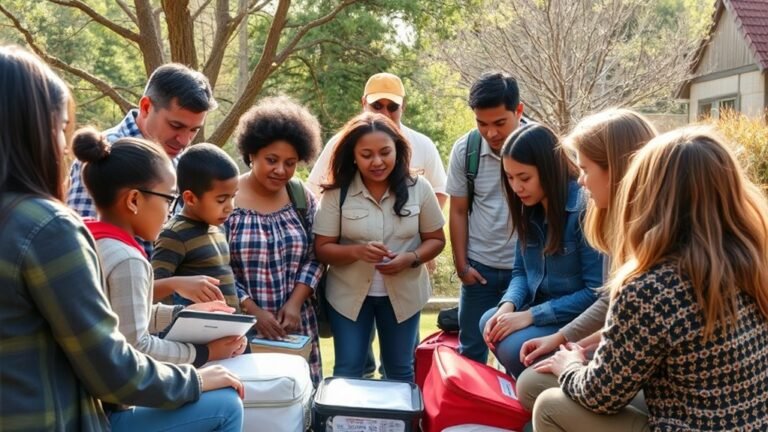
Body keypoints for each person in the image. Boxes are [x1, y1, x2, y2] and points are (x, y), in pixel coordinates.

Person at [0, 45, 243, 431]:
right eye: (60, 128)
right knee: (226, 406)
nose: (64, 147)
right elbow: (110, 364)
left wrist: (181, 315)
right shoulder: (47, 227)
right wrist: (197, 370)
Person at [530, 127, 768, 431]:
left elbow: (600, 396)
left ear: (648, 193)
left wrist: (570, 366)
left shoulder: (651, 288)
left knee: (550, 406)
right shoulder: (751, 260)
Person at [515, 109, 657, 412]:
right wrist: (566, 341)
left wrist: (571, 362)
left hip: (667, 410)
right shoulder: (629, 230)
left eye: (585, 169)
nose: (580, 181)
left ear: (617, 170)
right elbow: (615, 309)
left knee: (544, 400)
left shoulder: (653, 254)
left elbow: (605, 390)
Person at [308, 72, 449, 377]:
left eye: (385, 153)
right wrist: (358, 252)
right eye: (366, 155)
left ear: (398, 150)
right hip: (347, 297)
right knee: (349, 369)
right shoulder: (337, 193)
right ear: (354, 157)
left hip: (405, 295)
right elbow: (322, 248)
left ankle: (400, 425)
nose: (377, 162)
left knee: (401, 370)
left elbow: (436, 239)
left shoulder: (419, 187)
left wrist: (410, 258)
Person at [74, 128, 247, 369]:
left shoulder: (87, 241)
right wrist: (204, 353)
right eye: (168, 199)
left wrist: (185, 314)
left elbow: (128, 317)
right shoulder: (127, 260)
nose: (169, 212)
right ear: (134, 200)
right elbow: (136, 348)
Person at [66, 62, 224, 304]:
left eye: (194, 130)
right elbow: (85, 257)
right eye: (176, 126)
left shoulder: (181, 161)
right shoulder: (105, 156)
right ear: (146, 106)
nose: (184, 140)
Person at [478, 123, 602, 378]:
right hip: (540, 306)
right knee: (489, 320)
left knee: (514, 348)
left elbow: (594, 293)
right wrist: (508, 306)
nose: (516, 188)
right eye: (510, 178)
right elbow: (520, 271)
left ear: (549, 170)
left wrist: (531, 316)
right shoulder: (528, 206)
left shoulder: (584, 209)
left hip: (575, 316)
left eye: (524, 178)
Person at [228, 96, 324, 385]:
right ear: (251, 154)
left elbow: (316, 254)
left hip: (295, 326)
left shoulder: (301, 197)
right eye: (272, 160)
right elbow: (212, 264)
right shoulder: (224, 197)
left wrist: (295, 303)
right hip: (239, 330)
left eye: (290, 163)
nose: (281, 170)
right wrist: (253, 311)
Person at [447, 72, 524, 363]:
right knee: (470, 355)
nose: (491, 133)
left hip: (529, 271)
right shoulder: (465, 149)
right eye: (482, 123)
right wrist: (462, 265)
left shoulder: (540, 145)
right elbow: (457, 210)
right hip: (480, 271)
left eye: (500, 123)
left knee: (521, 356)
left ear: (519, 110)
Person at [152, 143, 242, 310]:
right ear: (191, 198)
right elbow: (151, 290)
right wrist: (176, 284)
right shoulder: (174, 234)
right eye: (221, 200)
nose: (230, 207)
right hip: (191, 333)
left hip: (228, 328)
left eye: (233, 197)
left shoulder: (219, 228)